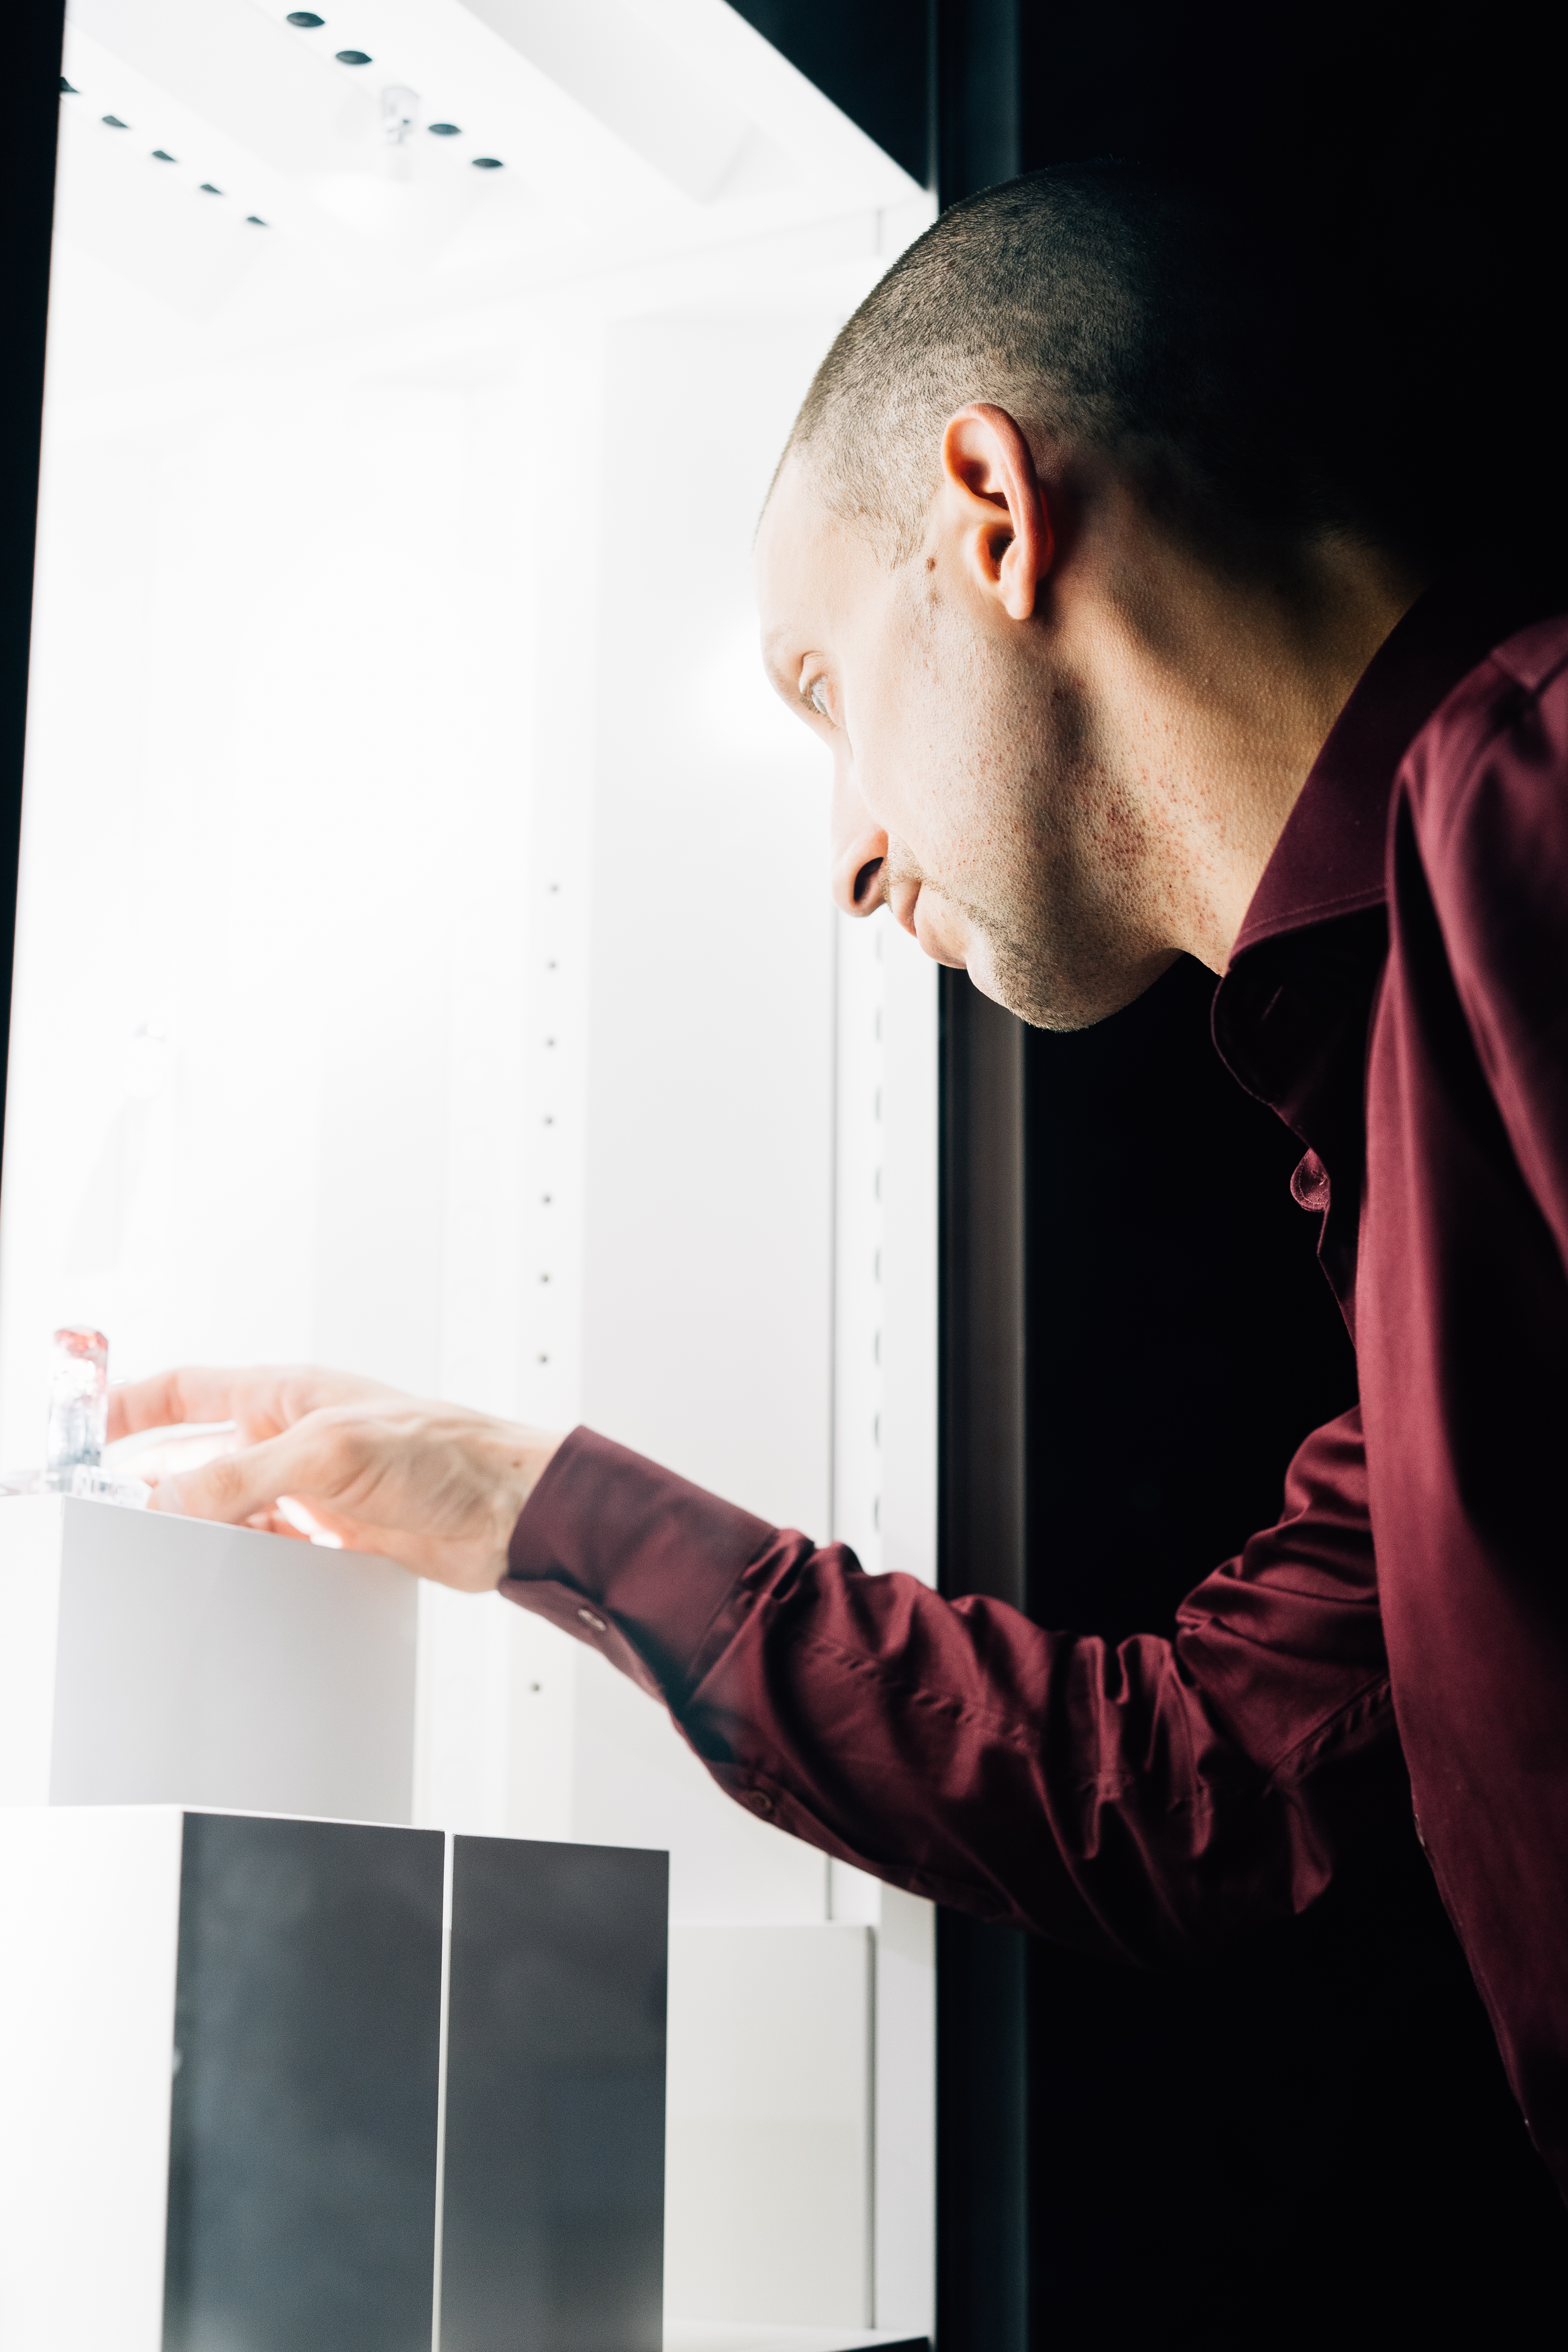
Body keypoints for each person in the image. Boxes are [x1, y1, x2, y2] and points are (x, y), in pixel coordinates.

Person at [110, 164, 1568, 2195]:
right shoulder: (1412, 1055)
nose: (849, 854)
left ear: (993, 509)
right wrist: (509, 1498)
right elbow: (1190, 1786)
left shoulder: (1540, 792)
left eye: (825, 692)